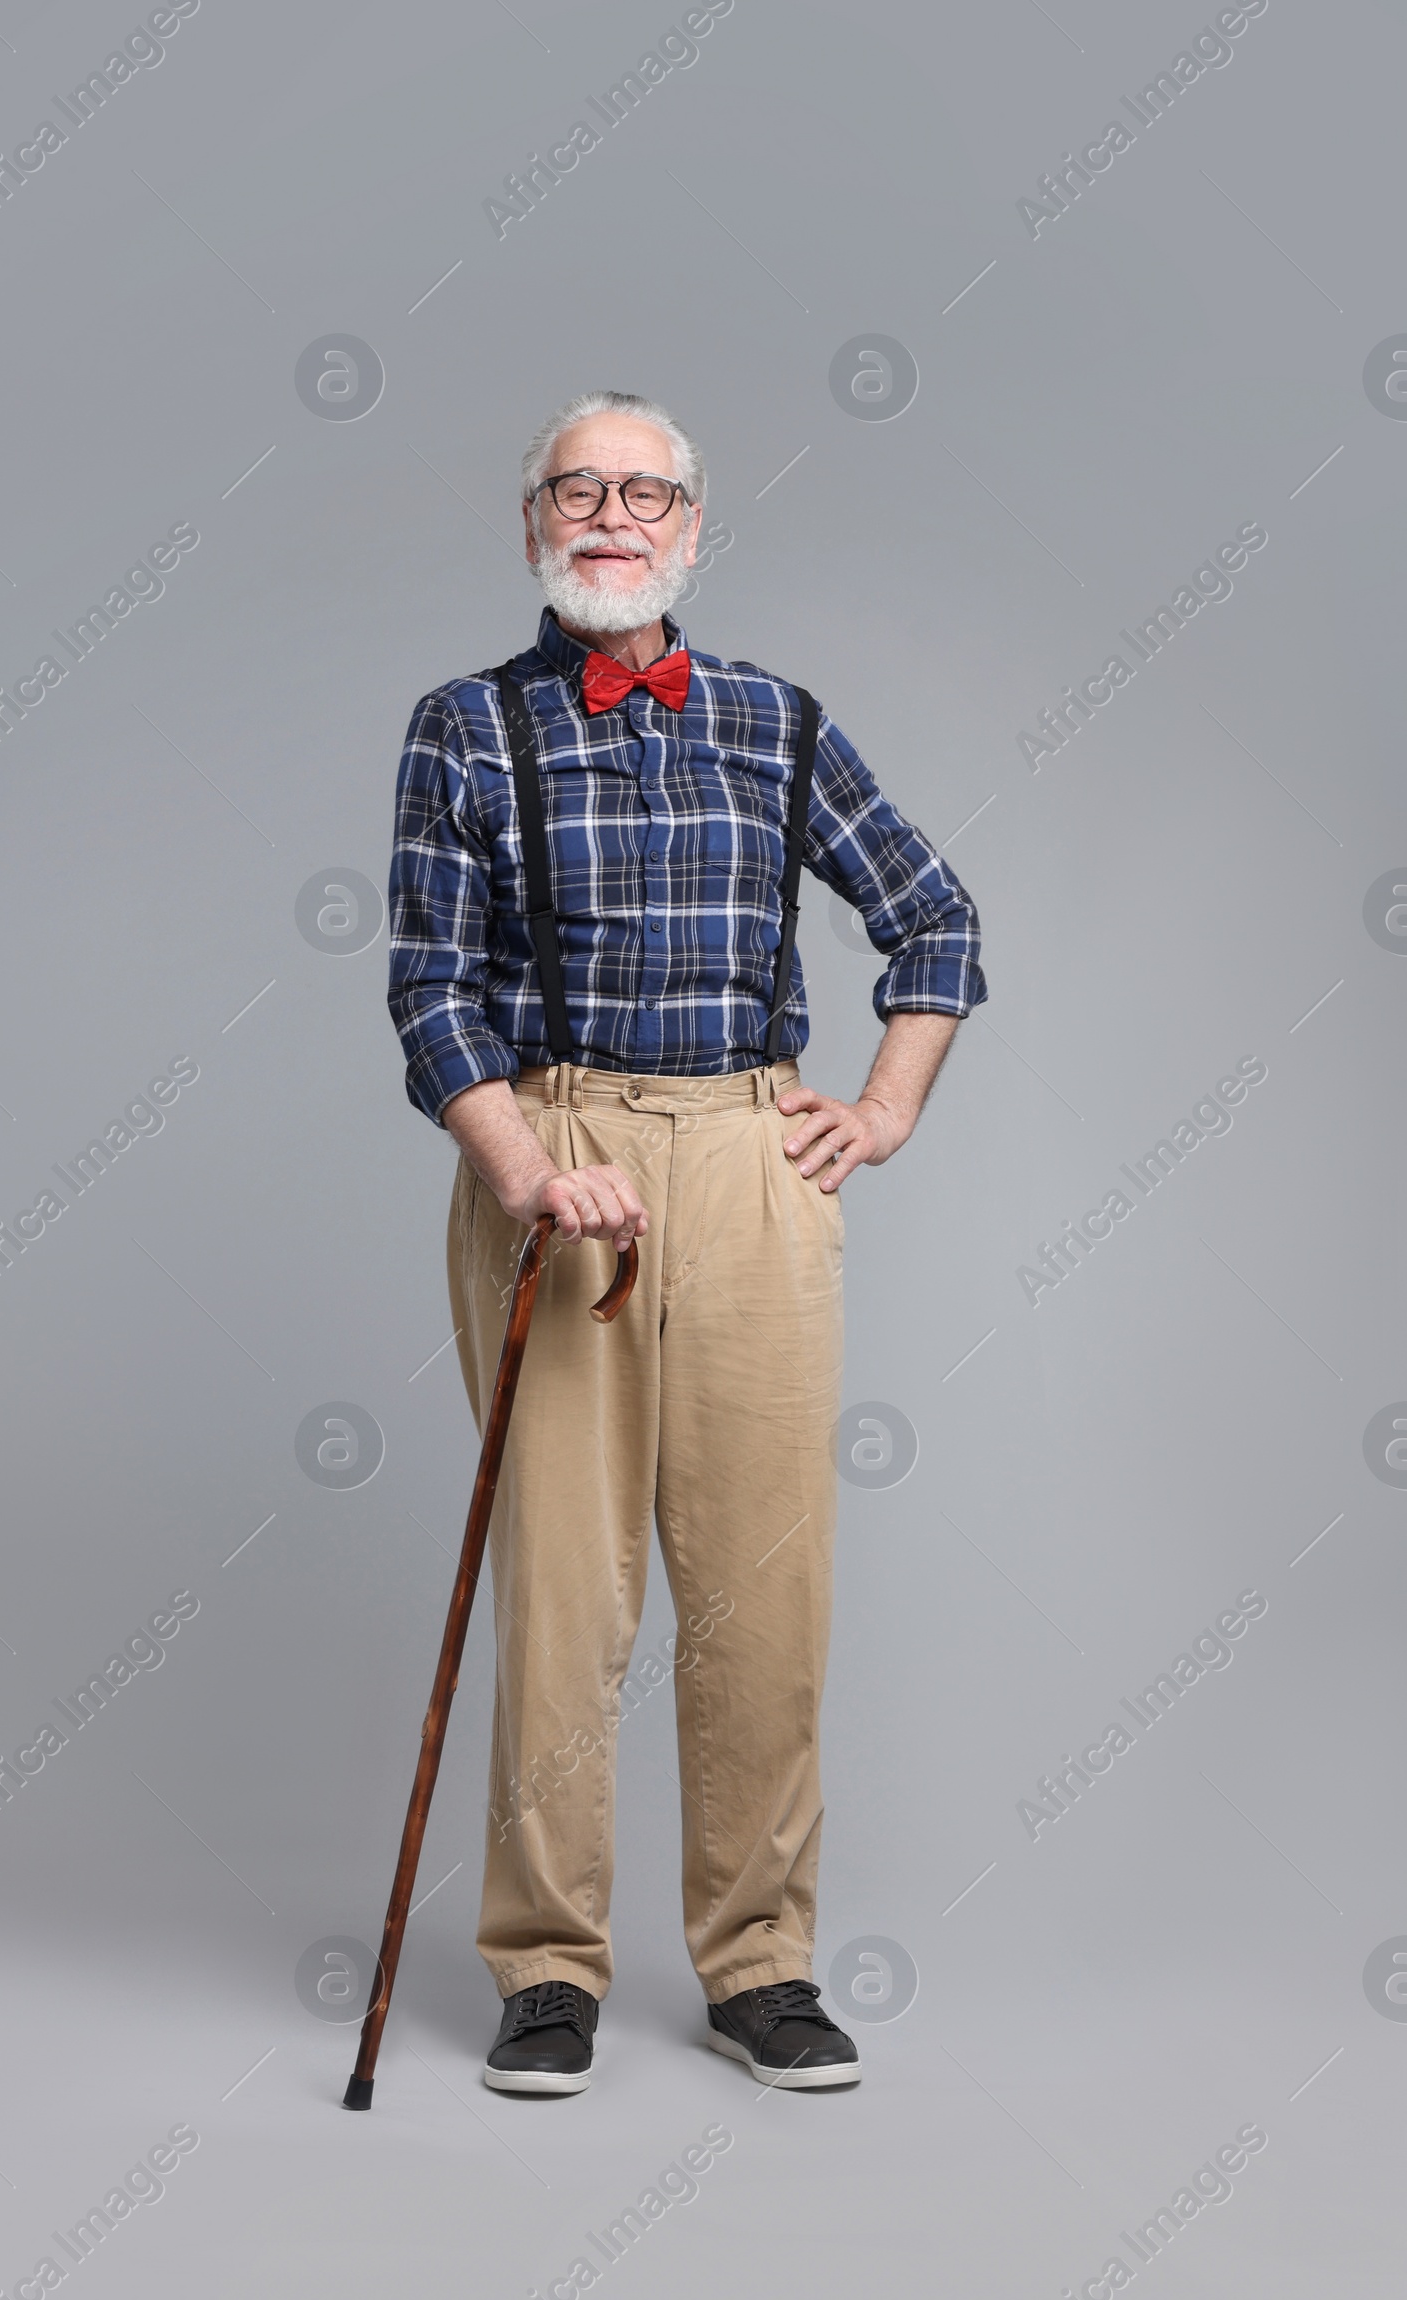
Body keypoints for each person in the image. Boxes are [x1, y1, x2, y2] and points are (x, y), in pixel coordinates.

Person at [387, 389, 985, 2096]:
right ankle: (548, 1968)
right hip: (555, 1149)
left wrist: (877, 1112)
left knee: (761, 1589)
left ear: (694, 525)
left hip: (747, 1154)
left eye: (645, 490)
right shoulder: (465, 725)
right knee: (565, 1593)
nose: (612, 513)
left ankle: (760, 1963)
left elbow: (933, 916)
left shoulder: (776, 720)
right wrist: (522, 1166)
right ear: (531, 528)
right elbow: (429, 989)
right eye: (578, 487)